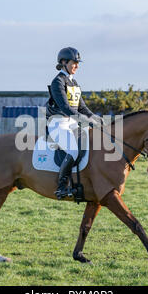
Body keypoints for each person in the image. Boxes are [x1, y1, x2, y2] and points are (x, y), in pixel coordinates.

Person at [45, 47, 102, 199]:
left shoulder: (74, 82)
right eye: (74, 63)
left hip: (72, 123)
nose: (77, 66)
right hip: (58, 123)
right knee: (73, 150)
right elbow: (65, 107)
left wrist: (95, 118)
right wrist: (84, 120)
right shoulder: (57, 81)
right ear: (63, 62)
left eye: (78, 63)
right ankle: (61, 186)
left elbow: (82, 107)